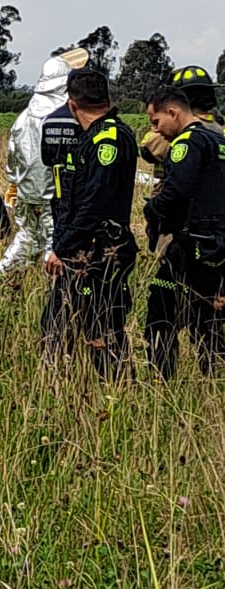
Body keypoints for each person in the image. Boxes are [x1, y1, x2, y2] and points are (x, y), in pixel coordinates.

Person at [42, 68, 138, 379]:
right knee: (58, 323)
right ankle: (59, 389)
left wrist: (62, 247)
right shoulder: (92, 138)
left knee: (102, 327)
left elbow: (94, 204)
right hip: (84, 251)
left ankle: (117, 391)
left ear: (71, 105)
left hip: (101, 251)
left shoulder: (108, 140)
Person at [143, 84, 225, 379]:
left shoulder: (185, 144)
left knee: (160, 313)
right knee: (208, 317)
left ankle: (161, 380)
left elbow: (175, 193)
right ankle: (214, 378)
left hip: (189, 246)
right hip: (217, 245)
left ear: (173, 112)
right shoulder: (217, 140)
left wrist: (151, 210)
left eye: (156, 122)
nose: (157, 131)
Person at [0, 48, 88, 274]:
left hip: (26, 194)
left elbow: (12, 153)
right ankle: (54, 291)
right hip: (54, 196)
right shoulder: (65, 115)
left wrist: (14, 183)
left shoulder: (24, 116)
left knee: (26, 236)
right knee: (54, 241)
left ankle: (5, 275)